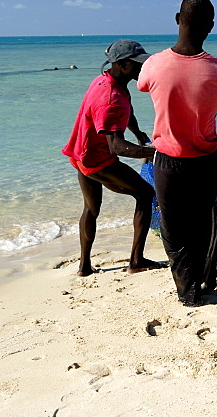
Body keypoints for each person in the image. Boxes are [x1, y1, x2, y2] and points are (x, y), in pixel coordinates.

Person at [138, 0, 217, 306]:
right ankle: (202, 279)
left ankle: (187, 287)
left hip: (166, 159)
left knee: (172, 227)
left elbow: (146, 87)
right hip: (205, 159)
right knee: (203, 224)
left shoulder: (152, 65)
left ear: (177, 19)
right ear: (210, 27)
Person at [62, 39, 160, 277]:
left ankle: (84, 266)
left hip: (80, 154)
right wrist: (158, 152)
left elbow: (127, 110)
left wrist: (138, 134)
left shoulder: (107, 81)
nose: (142, 69)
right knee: (146, 194)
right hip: (98, 160)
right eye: (138, 65)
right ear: (123, 64)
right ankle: (136, 261)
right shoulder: (110, 97)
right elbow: (116, 146)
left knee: (91, 208)